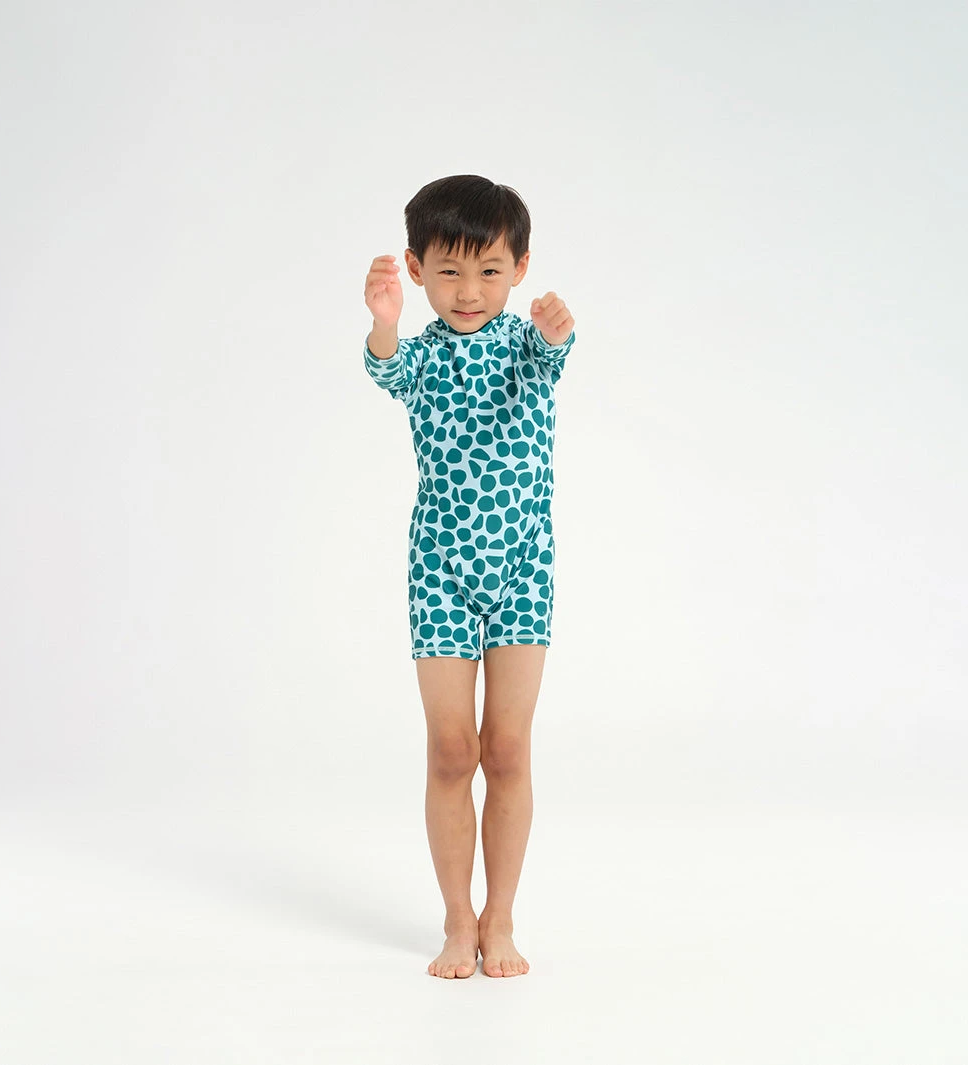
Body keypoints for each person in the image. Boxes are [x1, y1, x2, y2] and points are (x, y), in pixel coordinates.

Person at [361, 174, 576, 979]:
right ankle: (457, 920)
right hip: (440, 572)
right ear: (417, 269)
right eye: (448, 271)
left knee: (507, 749)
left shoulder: (526, 346)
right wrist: (384, 324)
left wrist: (553, 331)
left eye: (489, 270)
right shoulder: (420, 358)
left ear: (519, 267)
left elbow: (553, 354)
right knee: (453, 751)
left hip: (522, 568)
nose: (469, 290)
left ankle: (501, 917)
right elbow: (385, 369)